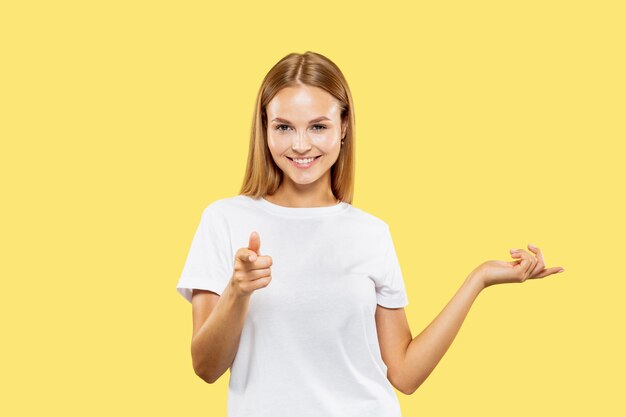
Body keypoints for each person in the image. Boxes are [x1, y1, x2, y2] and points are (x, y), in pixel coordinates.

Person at [175, 51, 565, 417]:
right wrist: (237, 292)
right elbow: (206, 367)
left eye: (318, 126)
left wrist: (478, 278)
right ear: (264, 128)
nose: (300, 144)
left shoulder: (370, 233)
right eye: (283, 127)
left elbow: (405, 374)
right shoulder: (224, 220)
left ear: (343, 127)